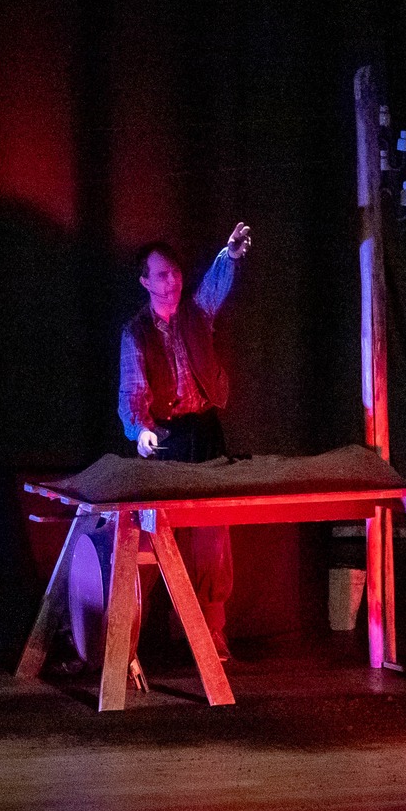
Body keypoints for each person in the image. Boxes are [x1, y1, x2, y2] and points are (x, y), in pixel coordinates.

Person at [68, 224, 253, 679]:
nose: (171, 281)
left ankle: (211, 632)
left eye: (174, 273)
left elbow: (214, 287)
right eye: (161, 275)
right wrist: (141, 431)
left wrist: (229, 255)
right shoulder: (135, 333)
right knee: (149, 538)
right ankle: (124, 639)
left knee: (212, 538)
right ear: (145, 282)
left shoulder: (196, 312)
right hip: (167, 437)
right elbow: (132, 390)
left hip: (205, 434)